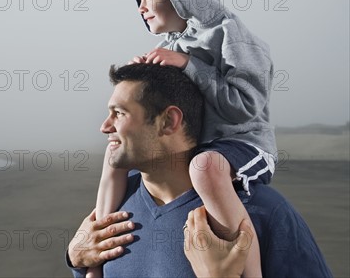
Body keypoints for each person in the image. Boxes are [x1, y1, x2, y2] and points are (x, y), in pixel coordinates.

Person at [92, 0, 277, 277]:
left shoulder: (230, 35)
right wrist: (145, 80)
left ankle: (250, 271)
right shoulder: (172, 47)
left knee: (206, 169)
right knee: (115, 155)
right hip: (200, 144)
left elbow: (245, 107)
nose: (142, 8)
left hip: (243, 144)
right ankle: (98, 247)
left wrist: (191, 65)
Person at [66, 63, 332, 277]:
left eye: (119, 113)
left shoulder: (263, 210)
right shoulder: (113, 210)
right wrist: (75, 259)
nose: (104, 126)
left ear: (169, 121)